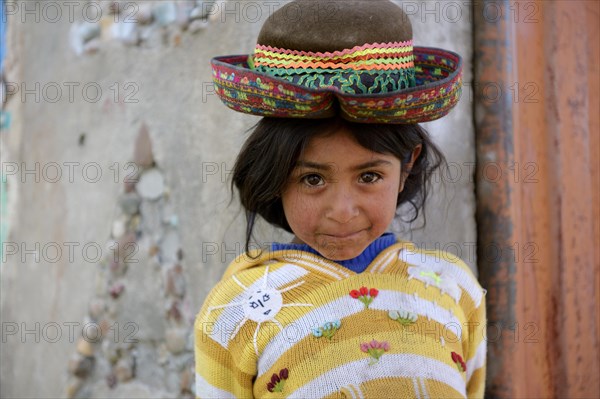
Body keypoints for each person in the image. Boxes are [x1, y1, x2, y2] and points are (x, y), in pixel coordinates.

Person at [195, 1, 486, 398]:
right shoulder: (234, 313)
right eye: (312, 178)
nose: (342, 211)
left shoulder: (455, 289)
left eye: (369, 176)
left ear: (407, 166)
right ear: (275, 176)